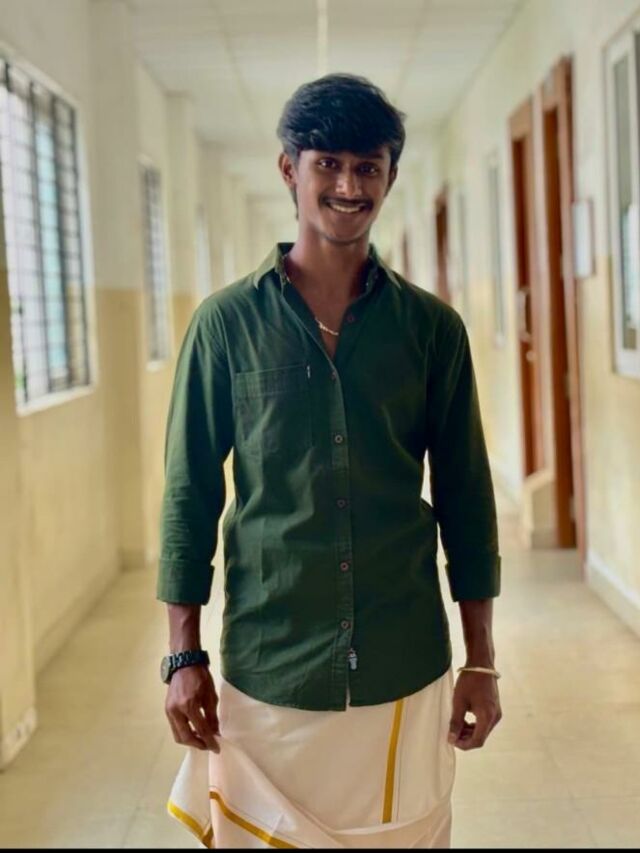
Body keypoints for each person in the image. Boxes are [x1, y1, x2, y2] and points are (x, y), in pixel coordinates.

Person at [156, 72, 502, 849]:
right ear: (290, 168)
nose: (349, 187)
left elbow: (467, 498)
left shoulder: (431, 330)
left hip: (402, 658)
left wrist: (482, 659)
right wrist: (182, 652)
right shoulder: (226, 326)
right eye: (328, 165)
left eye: (368, 167)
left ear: (390, 176)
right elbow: (188, 495)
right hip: (271, 659)